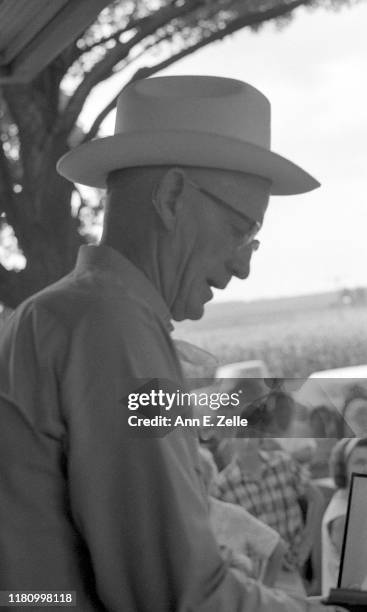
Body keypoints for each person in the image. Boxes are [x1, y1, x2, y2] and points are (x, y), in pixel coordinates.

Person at [0, 75, 340, 611]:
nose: (245, 265)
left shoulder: (58, 313)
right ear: (173, 196)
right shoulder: (113, 327)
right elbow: (175, 596)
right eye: (240, 229)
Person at [213, 438, 323, 576]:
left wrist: (306, 545)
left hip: (294, 565)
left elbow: (316, 499)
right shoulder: (222, 486)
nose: (247, 441)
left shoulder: (284, 463)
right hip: (256, 574)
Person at [322, 437, 367, 596]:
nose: (366, 468)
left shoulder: (356, 499)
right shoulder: (343, 516)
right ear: (343, 468)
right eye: (359, 462)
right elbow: (355, 576)